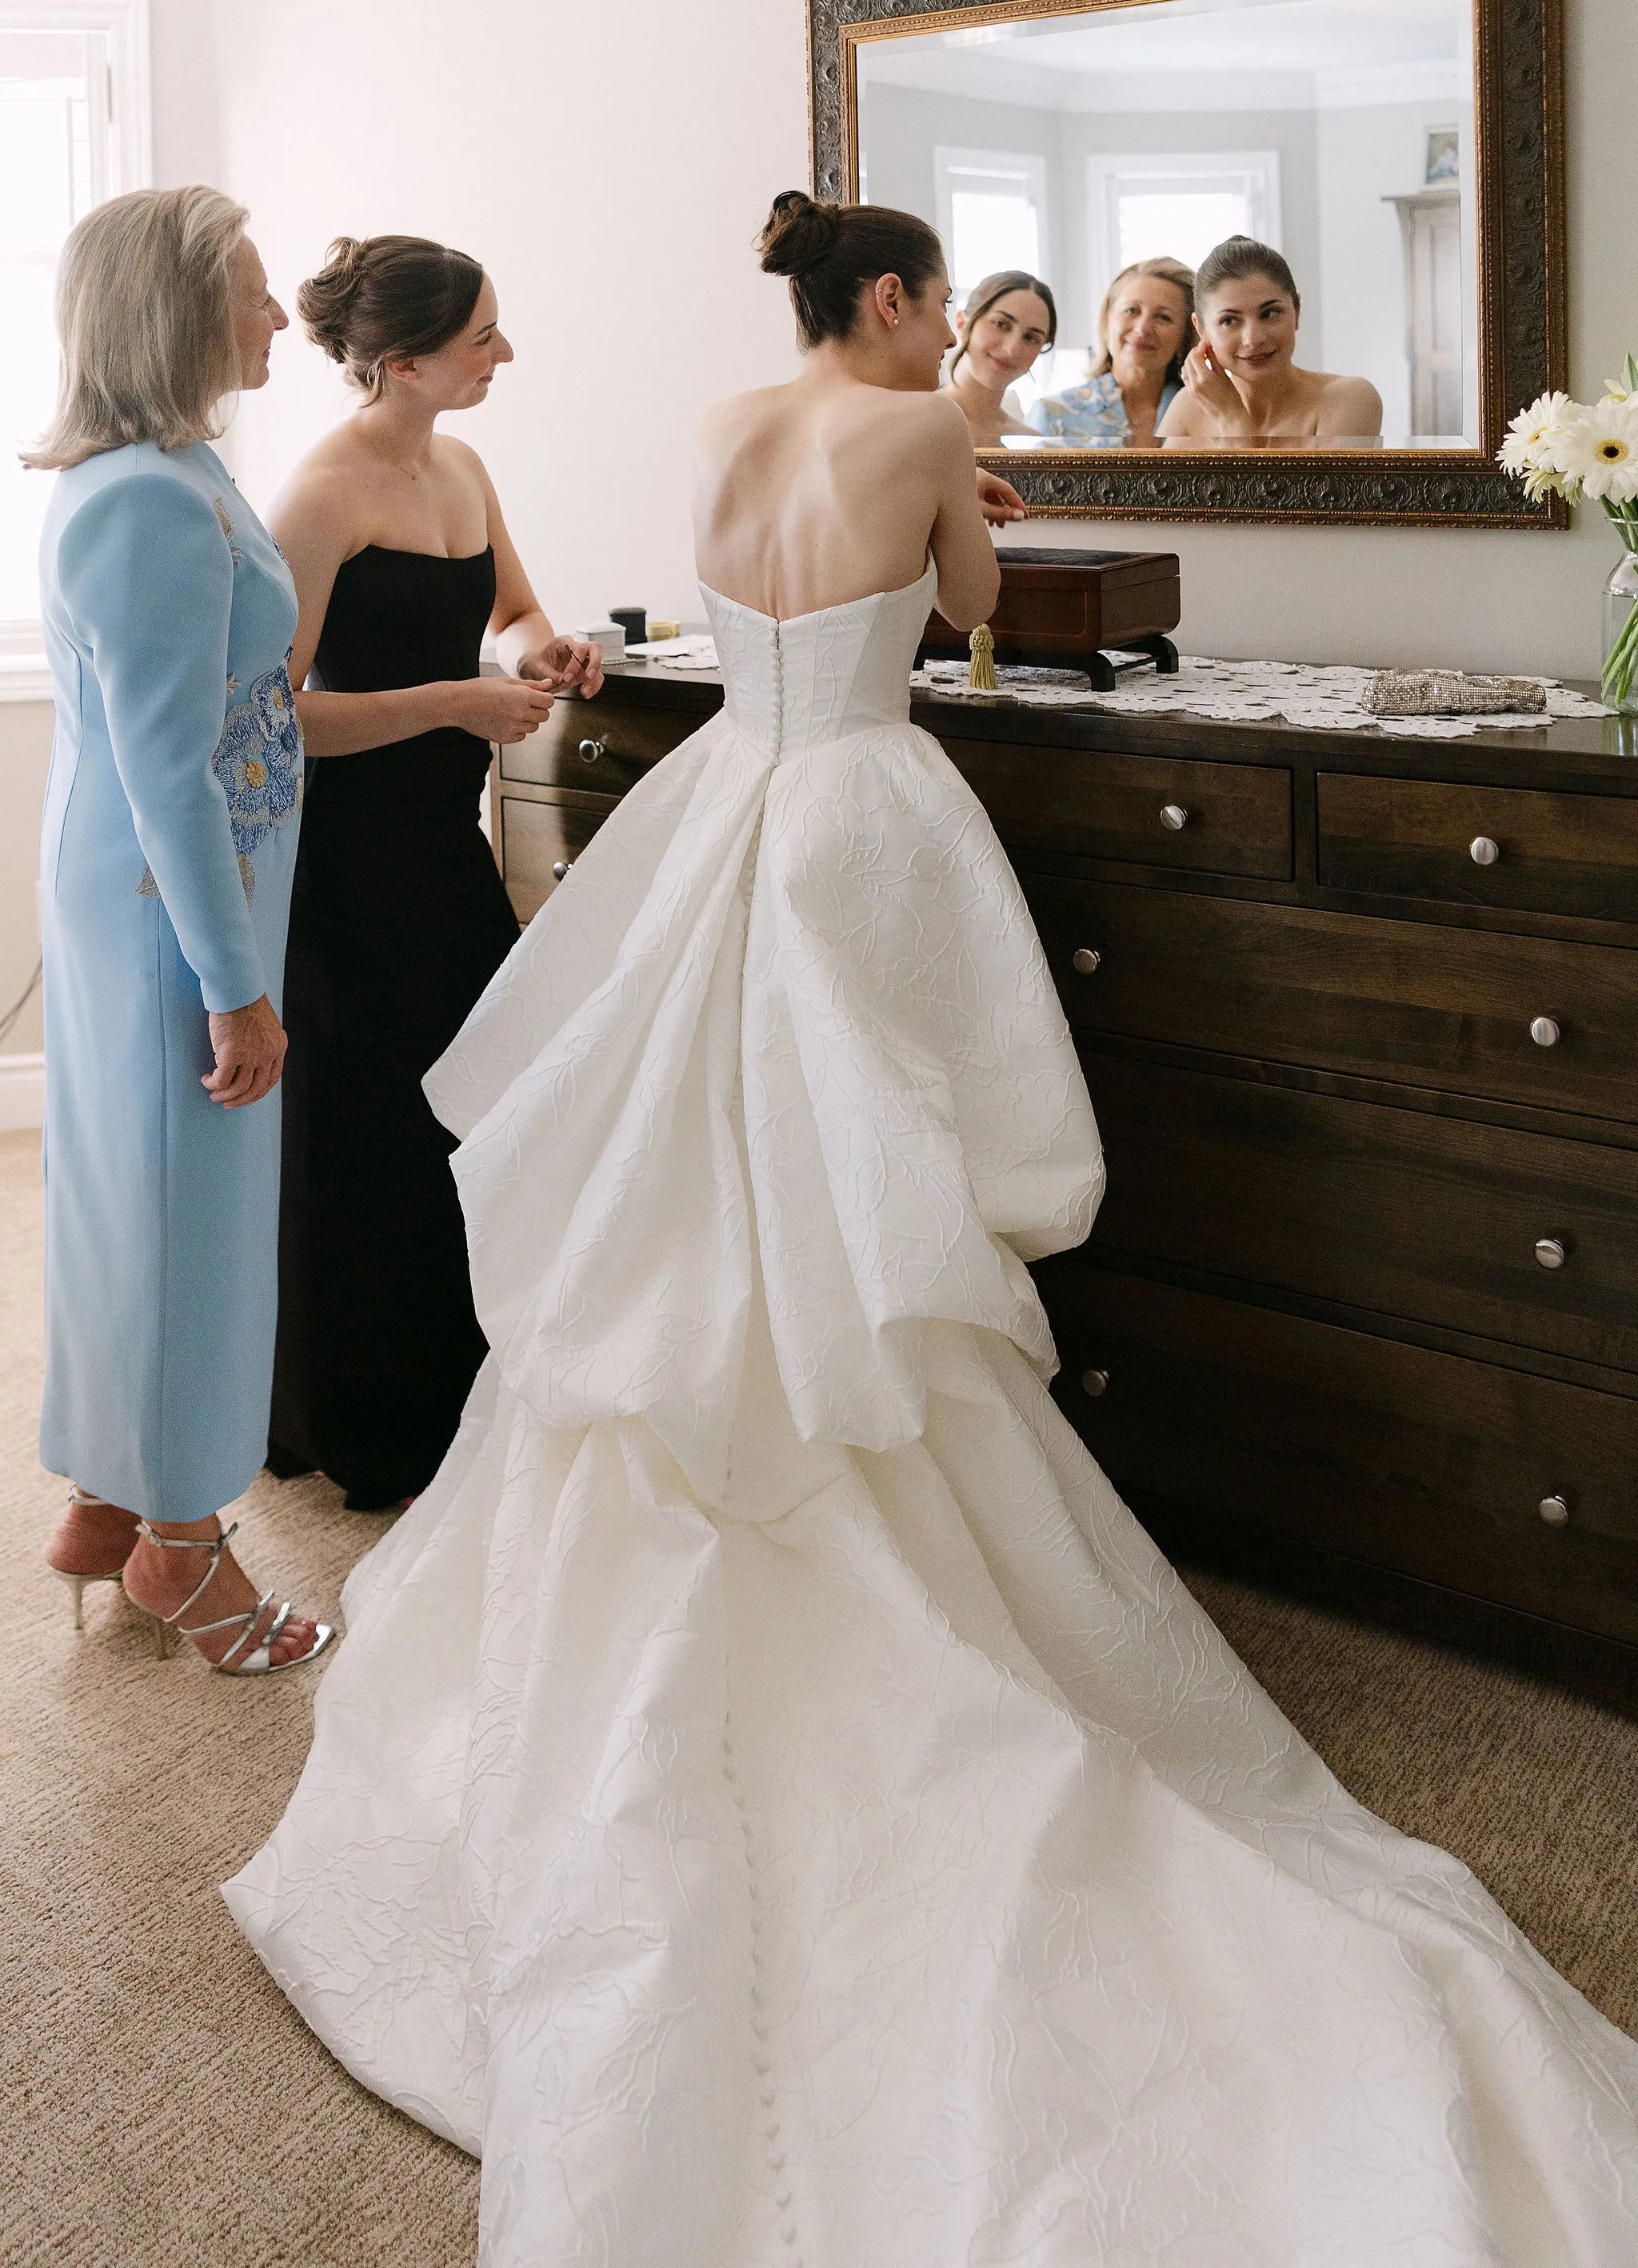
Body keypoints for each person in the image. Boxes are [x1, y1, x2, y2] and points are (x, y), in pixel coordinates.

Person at [228, 191, 1638, 2262]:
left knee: (719, 1161)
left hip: (728, 796)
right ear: (892, 299)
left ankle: (747, 1418)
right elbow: (972, 608)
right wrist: (962, 500)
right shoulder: (918, 428)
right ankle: (863, 1456)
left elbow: (738, 595)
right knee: (858, 1153)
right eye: (942, 307)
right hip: (862, 804)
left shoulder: (719, 418)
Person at [32, 186, 330, 1674]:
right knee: (185, 1230)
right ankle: (184, 1548)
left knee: (125, 1201)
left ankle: (106, 1500)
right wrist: (236, 986)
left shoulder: (165, 470)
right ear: (178, 311)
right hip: (172, 914)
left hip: (148, 893)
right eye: (254, 293)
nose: (279, 317)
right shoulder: (148, 499)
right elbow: (168, 768)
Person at [265, 235, 603, 1510]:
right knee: (376, 1134)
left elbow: (513, 611)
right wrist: (457, 701)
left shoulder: (462, 465)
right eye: (482, 338)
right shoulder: (318, 496)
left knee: (474, 1107)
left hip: (445, 843)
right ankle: (369, 1414)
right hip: (351, 860)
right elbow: (272, 718)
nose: (506, 353)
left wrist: (543, 650)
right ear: (403, 362)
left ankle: (467, 1387)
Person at [1162, 234, 1382, 441]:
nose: (1253, 339)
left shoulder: (1348, 399)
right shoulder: (1187, 408)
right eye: (1229, 320)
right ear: (1201, 330)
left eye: (1270, 314)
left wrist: (1233, 418)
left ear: (1297, 311)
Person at [1027, 256, 1193, 443]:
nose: (1142, 328)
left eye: (1163, 317)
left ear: (1185, 336)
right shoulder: (1052, 414)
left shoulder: (1203, 414)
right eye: (1131, 310)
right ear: (1107, 321)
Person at [939, 266, 1056, 449]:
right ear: (962, 323)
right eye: (1001, 324)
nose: (1011, 349)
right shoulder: (915, 417)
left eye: (1031, 338)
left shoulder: (1031, 443)